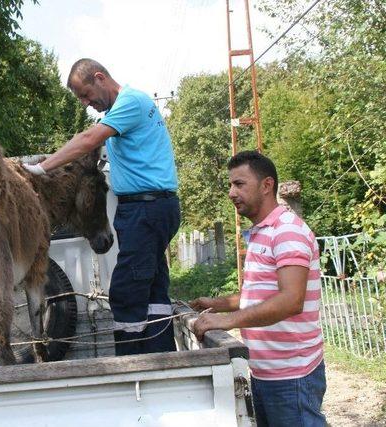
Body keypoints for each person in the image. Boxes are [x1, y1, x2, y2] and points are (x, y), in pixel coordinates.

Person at [23, 58, 180, 356]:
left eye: (85, 95)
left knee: (126, 290)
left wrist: (41, 169)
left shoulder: (130, 101)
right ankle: (162, 357)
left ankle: (131, 368)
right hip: (151, 208)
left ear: (99, 78)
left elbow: (87, 140)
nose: (85, 103)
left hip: (146, 209)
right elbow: (89, 145)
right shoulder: (119, 112)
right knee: (152, 288)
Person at [191, 151, 326, 426]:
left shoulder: (287, 231)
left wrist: (227, 321)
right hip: (266, 372)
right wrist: (217, 303)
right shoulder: (262, 232)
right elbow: (259, 296)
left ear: (267, 185)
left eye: (239, 184)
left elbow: (290, 300)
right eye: (230, 185)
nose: (231, 192)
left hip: (292, 376)